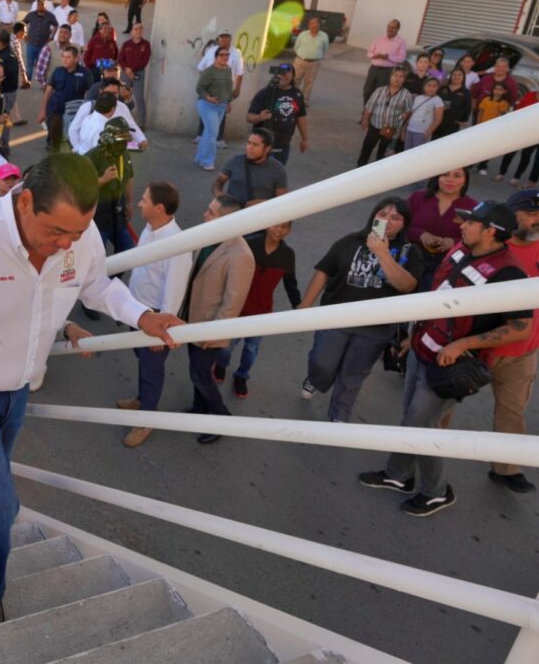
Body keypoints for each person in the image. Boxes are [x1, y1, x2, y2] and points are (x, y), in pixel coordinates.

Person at [0, 153, 183, 628]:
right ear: (24, 201)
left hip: (20, 390)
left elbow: (99, 287)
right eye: (56, 233)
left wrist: (143, 315)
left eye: (77, 233)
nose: (66, 244)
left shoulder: (80, 239)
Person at [360, 201, 529, 517]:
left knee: (422, 426)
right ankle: (398, 475)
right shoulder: (462, 251)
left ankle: (436, 492)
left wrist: (463, 343)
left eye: (470, 222)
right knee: (410, 417)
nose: (462, 226)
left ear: (491, 231)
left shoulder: (508, 273)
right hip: (423, 347)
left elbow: (521, 327)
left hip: (449, 365)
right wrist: (414, 337)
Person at [298, 197, 423, 422]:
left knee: (353, 374)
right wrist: (304, 306)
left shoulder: (410, 252)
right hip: (335, 318)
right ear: (373, 216)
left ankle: (339, 415)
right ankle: (316, 379)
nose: (387, 221)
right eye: (382, 214)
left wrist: (383, 253)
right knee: (322, 362)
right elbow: (324, 270)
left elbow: (407, 286)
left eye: (395, 217)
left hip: (375, 328)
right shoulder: (351, 241)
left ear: (404, 224)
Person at [117, 181, 193, 447]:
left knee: (152, 369)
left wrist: (164, 328)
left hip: (155, 318)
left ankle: (146, 420)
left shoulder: (178, 245)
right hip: (137, 312)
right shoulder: (150, 228)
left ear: (159, 208)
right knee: (141, 359)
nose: (139, 203)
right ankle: (142, 400)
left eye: (144, 200)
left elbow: (174, 290)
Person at [178, 195, 255, 444]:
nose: (205, 215)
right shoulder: (208, 235)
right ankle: (199, 409)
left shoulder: (241, 255)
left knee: (200, 373)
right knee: (196, 370)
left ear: (227, 219)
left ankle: (220, 418)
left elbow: (233, 302)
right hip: (192, 318)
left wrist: (213, 332)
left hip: (209, 328)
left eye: (211, 212)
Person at [482, 189, 539, 494]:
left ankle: (506, 468)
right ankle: (426, 452)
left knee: (512, 411)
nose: (536, 221)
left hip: (523, 351)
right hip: (479, 347)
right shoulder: (490, 246)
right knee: (444, 403)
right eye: (531, 214)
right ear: (511, 213)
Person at [213, 221, 301, 399]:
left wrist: (298, 306)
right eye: (276, 225)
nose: (279, 230)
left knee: (251, 349)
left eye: (284, 227)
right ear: (268, 225)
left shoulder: (287, 255)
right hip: (238, 307)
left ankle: (241, 376)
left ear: (289, 230)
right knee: (226, 347)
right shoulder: (248, 244)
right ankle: (221, 365)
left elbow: (290, 283)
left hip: (262, 312)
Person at [406, 168, 477, 290]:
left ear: (465, 180)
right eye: (445, 174)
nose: (450, 180)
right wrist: (420, 234)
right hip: (410, 257)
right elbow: (399, 225)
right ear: (437, 177)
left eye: (457, 176)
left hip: (447, 265)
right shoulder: (417, 198)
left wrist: (454, 242)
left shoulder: (473, 207)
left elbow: (478, 239)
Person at [85, 117, 137, 258]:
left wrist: (129, 202)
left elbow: (129, 178)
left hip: (118, 213)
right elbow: (81, 187)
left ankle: (111, 280)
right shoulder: (92, 156)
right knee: (96, 257)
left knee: (128, 252)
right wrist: (102, 179)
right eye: (122, 137)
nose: (125, 142)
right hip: (98, 216)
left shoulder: (124, 154)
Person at [244, 63, 308, 164]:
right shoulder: (264, 93)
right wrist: (260, 117)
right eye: (281, 73)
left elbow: (301, 117)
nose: (283, 76)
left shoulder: (297, 94)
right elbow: (249, 117)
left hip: (283, 144)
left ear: (293, 76)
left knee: (277, 173)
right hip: (263, 144)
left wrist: (305, 138)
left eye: (287, 73)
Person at [212, 129, 288, 206]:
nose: (249, 148)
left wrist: (263, 203)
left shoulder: (278, 170)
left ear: (267, 149)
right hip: (233, 211)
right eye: (249, 143)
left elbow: (282, 200)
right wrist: (219, 195)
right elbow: (218, 182)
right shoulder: (235, 161)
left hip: (259, 213)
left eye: (255, 145)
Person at [357, 66, 414, 166]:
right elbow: (370, 106)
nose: (397, 78)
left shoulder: (406, 95)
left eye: (401, 76)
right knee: (367, 148)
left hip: (390, 129)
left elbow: (409, 110)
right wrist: (365, 119)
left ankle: (378, 172)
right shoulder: (380, 90)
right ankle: (359, 168)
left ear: (404, 79)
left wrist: (405, 115)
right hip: (375, 125)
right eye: (395, 75)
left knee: (382, 153)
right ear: (390, 77)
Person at [38, 46, 89, 153]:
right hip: (56, 111)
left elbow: (88, 95)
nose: (64, 60)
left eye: (68, 57)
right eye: (63, 57)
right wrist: (43, 112)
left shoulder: (85, 74)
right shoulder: (57, 72)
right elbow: (48, 92)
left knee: (71, 141)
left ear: (76, 59)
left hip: (74, 114)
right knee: (55, 139)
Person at [194, 46, 234, 171]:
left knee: (208, 132)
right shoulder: (209, 71)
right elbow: (199, 88)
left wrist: (229, 101)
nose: (225, 57)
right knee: (213, 133)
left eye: (227, 55)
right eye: (222, 55)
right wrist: (208, 97)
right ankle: (208, 161)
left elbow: (229, 87)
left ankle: (200, 158)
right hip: (207, 105)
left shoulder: (228, 69)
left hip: (221, 105)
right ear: (216, 57)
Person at [363, 19, 408, 104]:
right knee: (367, 92)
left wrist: (388, 57)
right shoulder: (379, 39)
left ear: (398, 29)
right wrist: (374, 55)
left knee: (381, 95)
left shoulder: (401, 42)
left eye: (393, 27)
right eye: (389, 27)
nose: (390, 29)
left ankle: (376, 115)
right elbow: (369, 53)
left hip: (387, 72)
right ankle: (365, 114)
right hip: (373, 70)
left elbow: (401, 58)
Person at [118, 22, 151, 127]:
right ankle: (121, 120)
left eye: (140, 28)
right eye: (135, 29)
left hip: (138, 74)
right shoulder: (126, 44)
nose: (138, 31)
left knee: (139, 98)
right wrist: (126, 70)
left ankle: (141, 124)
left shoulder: (146, 45)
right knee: (122, 96)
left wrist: (131, 70)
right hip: (125, 73)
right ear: (132, 31)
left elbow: (144, 61)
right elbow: (120, 59)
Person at [292, 16, 330, 100]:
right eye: (312, 23)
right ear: (309, 25)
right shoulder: (303, 34)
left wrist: (316, 56)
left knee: (309, 82)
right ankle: (291, 98)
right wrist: (301, 56)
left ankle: (304, 100)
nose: (314, 25)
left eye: (316, 23)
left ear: (319, 25)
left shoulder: (324, 36)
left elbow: (325, 49)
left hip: (313, 63)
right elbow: (296, 47)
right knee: (295, 80)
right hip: (299, 61)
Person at [403, 77, 444, 152]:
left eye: (434, 86)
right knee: (407, 152)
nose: (431, 88)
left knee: (418, 153)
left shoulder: (438, 100)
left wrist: (429, 131)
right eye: (429, 85)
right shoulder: (418, 98)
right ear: (424, 86)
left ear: (438, 88)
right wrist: (405, 129)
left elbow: (438, 119)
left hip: (422, 132)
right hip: (410, 129)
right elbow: (412, 114)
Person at [22, 0, 58, 81]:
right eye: (38, 5)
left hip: (43, 45)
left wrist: (52, 37)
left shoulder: (50, 16)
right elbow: (22, 23)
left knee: (42, 65)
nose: (40, 6)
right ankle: (27, 81)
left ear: (45, 5)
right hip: (31, 43)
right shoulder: (31, 15)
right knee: (29, 64)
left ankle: (43, 82)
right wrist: (24, 35)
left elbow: (56, 25)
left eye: (42, 4)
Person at [435, 66, 472, 140]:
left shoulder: (466, 92)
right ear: (451, 76)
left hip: (454, 123)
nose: (456, 77)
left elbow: (468, 107)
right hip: (439, 121)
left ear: (463, 77)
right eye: (454, 75)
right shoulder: (442, 88)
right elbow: (435, 101)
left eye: (459, 75)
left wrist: (464, 120)